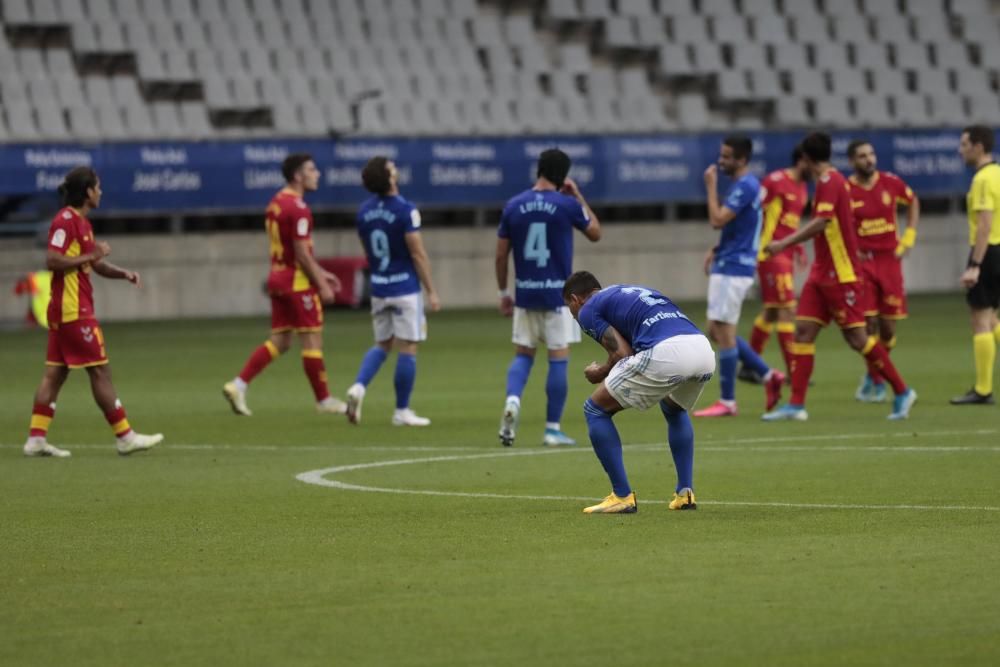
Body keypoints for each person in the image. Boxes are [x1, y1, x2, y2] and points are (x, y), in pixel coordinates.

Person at [762, 132, 917, 421]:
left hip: (841, 273)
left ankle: (901, 390)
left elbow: (822, 222)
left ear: (807, 160)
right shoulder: (828, 181)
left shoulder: (829, 181)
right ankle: (796, 405)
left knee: (858, 338)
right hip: (821, 273)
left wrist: (784, 243)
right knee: (803, 332)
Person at [23, 166, 163, 458]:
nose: (101, 192)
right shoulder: (65, 221)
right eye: (98, 187)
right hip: (74, 310)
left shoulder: (83, 224)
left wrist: (123, 273)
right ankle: (125, 436)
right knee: (100, 370)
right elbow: (52, 260)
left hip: (68, 310)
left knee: (54, 374)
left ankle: (36, 439)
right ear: (87, 192)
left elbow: (94, 265)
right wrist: (92, 255)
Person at [563, 272, 715, 514]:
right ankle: (684, 493)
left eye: (569, 308)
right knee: (673, 407)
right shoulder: (627, 291)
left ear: (575, 299)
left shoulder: (588, 309)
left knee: (595, 409)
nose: (572, 315)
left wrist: (599, 372)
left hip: (669, 352)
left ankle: (622, 496)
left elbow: (622, 353)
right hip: (703, 350)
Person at [222, 153, 346, 417]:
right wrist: (321, 283)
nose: (318, 174)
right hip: (297, 282)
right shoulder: (299, 208)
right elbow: (301, 252)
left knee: (280, 341)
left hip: (277, 277)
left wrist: (323, 272)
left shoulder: (276, 203)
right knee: (312, 339)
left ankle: (238, 385)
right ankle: (324, 400)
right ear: (298, 176)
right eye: (312, 169)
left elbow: (291, 250)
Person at [495, 148, 601, 447]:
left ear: (539, 170)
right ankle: (552, 428)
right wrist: (578, 195)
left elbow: (501, 255)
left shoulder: (514, 205)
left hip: (525, 292)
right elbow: (595, 232)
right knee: (558, 358)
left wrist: (504, 292)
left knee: (523, 354)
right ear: (562, 175)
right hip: (559, 295)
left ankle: (513, 400)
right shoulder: (566, 204)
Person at [344, 156, 441, 426]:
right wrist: (431, 290)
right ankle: (402, 411)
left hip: (379, 286)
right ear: (389, 178)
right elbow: (418, 254)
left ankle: (359, 387)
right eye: (391, 168)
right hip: (405, 288)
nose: (395, 169)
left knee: (383, 343)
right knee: (408, 346)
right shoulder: (405, 210)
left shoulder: (363, 212)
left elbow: (368, 251)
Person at [694, 136, 785, 418]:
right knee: (716, 329)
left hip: (734, 267)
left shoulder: (745, 186)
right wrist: (719, 247)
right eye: (721, 155)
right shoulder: (747, 185)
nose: (721, 161)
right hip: (731, 260)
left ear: (742, 159)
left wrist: (710, 187)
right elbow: (745, 227)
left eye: (727, 157)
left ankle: (728, 401)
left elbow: (717, 219)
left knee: (723, 331)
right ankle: (768, 376)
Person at [846, 139, 920, 403]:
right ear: (852, 161)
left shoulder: (891, 182)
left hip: (890, 262)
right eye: (863, 156)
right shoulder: (846, 190)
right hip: (863, 264)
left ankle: (871, 374)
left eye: (871, 154)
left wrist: (909, 236)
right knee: (867, 324)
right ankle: (877, 381)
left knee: (888, 328)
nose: (869, 159)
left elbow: (913, 202)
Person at [742, 145, 810, 382]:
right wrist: (755, 249)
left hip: (786, 253)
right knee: (787, 310)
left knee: (771, 311)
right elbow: (756, 213)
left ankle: (750, 365)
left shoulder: (802, 187)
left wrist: (798, 247)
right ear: (803, 159)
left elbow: (790, 222)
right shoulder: (775, 181)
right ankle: (794, 371)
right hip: (770, 253)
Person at [951, 125, 1000, 405]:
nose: (961, 150)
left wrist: (974, 265)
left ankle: (983, 390)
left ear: (978, 146)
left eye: (964, 144)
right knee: (991, 317)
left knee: (980, 318)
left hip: (989, 251)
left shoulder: (982, 179)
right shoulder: (999, 173)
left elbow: (984, 225)